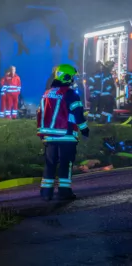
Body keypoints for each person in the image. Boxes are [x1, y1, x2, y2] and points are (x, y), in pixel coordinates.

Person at [37, 64, 89, 201]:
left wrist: (42, 134)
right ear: (66, 77)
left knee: (50, 164)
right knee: (66, 164)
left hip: (49, 136)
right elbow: (78, 115)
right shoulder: (70, 94)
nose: (73, 80)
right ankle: (64, 192)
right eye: (72, 77)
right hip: (66, 135)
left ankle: (46, 193)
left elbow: (41, 113)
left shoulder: (47, 93)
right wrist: (85, 130)